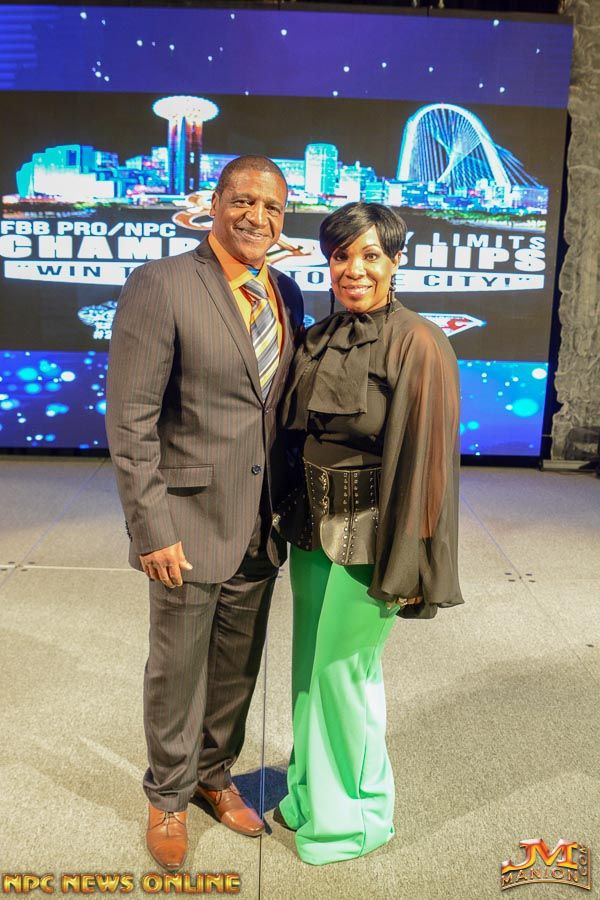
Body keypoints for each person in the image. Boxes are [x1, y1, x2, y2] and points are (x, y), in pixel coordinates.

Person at [106, 155, 304, 871]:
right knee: (177, 668)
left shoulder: (286, 291)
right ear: (214, 203)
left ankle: (213, 776)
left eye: (273, 207)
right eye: (244, 201)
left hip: (261, 520)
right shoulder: (160, 284)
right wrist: (151, 527)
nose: (257, 217)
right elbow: (130, 419)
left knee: (236, 668)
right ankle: (167, 794)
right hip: (185, 521)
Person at [274, 201, 463, 865]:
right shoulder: (319, 336)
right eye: (341, 256)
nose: (354, 269)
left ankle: (355, 820)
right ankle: (308, 794)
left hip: (375, 536)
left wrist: (413, 564)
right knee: (308, 671)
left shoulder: (420, 342)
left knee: (342, 674)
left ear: (395, 261)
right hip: (311, 529)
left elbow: (428, 466)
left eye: (370, 255)